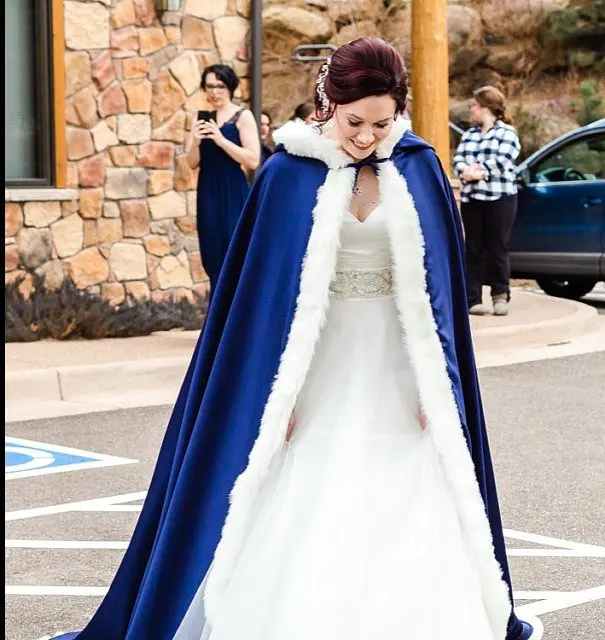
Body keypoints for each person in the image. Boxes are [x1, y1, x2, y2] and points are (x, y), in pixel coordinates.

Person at [47, 38, 542, 640]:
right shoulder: (286, 173)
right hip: (312, 369)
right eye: (354, 121)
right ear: (326, 103)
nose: (366, 136)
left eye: (381, 123)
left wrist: (436, 385)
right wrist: (272, 393)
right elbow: (258, 301)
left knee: (409, 489)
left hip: (397, 363)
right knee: (303, 490)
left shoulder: (420, 166)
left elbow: (439, 297)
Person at [185, 63, 260, 290]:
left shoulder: (242, 116)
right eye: (209, 87)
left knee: (234, 252)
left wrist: (221, 140)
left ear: (230, 87)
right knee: (211, 251)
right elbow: (191, 163)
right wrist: (196, 140)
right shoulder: (200, 118)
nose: (214, 92)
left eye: (220, 86)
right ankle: (217, 317)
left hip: (233, 188)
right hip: (207, 189)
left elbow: (253, 160)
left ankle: (236, 318)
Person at [453, 86, 521, 316]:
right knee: (473, 248)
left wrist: (481, 172)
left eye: (475, 105)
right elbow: (458, 159)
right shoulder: (469, 135)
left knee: (497, 247)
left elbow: (504, 160)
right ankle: (472, 298)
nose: (472, 109)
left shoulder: (507, 133)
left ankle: (500, 295)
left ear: (486, 108)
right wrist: (466, 170)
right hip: (473, 199)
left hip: (500, 198)